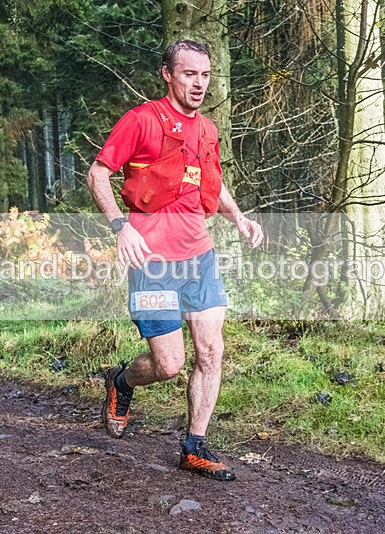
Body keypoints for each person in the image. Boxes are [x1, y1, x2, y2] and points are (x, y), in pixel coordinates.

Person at [86, 39, 263, 482]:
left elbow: (211, 183)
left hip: (199, 259)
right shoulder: (142, 120)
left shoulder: (207, 130)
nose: (199, 83)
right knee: (169, 365)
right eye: (189, 74)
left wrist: (238, 216)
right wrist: (119, 226)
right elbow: (98, 174)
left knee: (211, 349)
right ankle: (122, 381)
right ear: (168, 74)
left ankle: (194, 446)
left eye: (204, 75)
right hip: (150, 263)